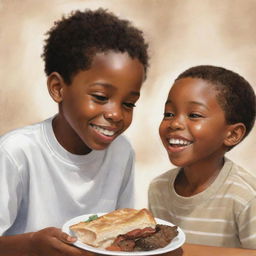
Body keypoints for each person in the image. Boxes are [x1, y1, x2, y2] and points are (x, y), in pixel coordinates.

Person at [0, 8, 149, 256]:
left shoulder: (122, 151)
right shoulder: (16, 153)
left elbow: (120, 233)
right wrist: (32, 244)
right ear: (58, 88)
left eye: (128, 104)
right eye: (101, 97)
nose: (116, 114)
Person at [148, 65, 256, 252]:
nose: (175, 123)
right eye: (169, 114)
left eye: (194, 115)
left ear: (232, 134)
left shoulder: (245, 197)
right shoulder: (158, 188)